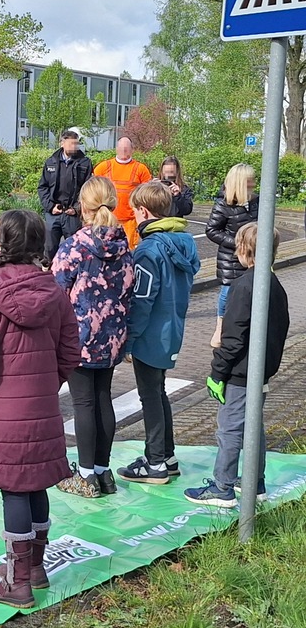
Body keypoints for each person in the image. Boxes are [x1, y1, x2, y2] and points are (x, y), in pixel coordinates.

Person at [0, 210, 80, 608]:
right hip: (41, 404)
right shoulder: (56, 292)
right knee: (36, 484)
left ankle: (17, 583)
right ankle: (35, 569)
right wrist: (47, 383)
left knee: (14, 490)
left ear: (0, 240)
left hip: (0, 407)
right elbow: (69, 353)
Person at [185, 224, 289, 507]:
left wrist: (218, 372)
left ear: (243, 250)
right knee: (253, 426)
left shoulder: (243, 286)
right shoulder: (273, 284)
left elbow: (233, 336)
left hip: (240, 373)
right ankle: (255, 481)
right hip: (261, 370)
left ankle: (223, 486)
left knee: (229, 428)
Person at [51, 177, 135, 499]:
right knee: (103, 399)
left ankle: (85, 476)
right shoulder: (123, 244)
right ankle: (102, 471)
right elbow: (129, 291)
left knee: (83, 403)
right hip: (112, 335)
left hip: (80, 336)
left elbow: (56, 291)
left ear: (83, 207)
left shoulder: (74, 246)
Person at [117, 181, 200, 485]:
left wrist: (129, 339)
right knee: (158, 391)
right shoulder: (185, 243)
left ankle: (154, 464)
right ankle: (167, 454)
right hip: (172, 329)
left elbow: (142, 301)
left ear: (143, 211)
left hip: (150, 334)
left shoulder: (149, 251)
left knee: (149, 395)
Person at [205, 164, 259, 349]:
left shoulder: (257, 201)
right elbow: (212, 230)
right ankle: (220, 328)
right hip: (231, 258)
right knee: (228, 292)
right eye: (250, 180)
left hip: (253, 257)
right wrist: (238, 243)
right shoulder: (224, 204)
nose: (254, 183)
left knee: (253, 291)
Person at [38, 129, 94, 260]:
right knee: (50, 249)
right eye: (71, 144)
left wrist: (76, 209)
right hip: (54, 213)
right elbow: (42, 187)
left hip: (72, 214)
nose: (74, 147)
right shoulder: (51, 161)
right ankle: (48, 275)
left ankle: (71, 277)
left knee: (74, 250)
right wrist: (50, 206)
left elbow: (88, 190)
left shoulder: (84, 163)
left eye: (76, 144)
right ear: (62, 143)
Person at [94, 137, 152, 248]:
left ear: (132, 149)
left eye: (127, 148)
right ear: (116, 149)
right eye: (122, 148)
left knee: (128, 251)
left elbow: (148, 195)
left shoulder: (141, 169)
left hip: (131, 221)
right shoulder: (103, 167)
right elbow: (94, 190)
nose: (124, 151)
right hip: (107, 218)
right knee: (105, 248)